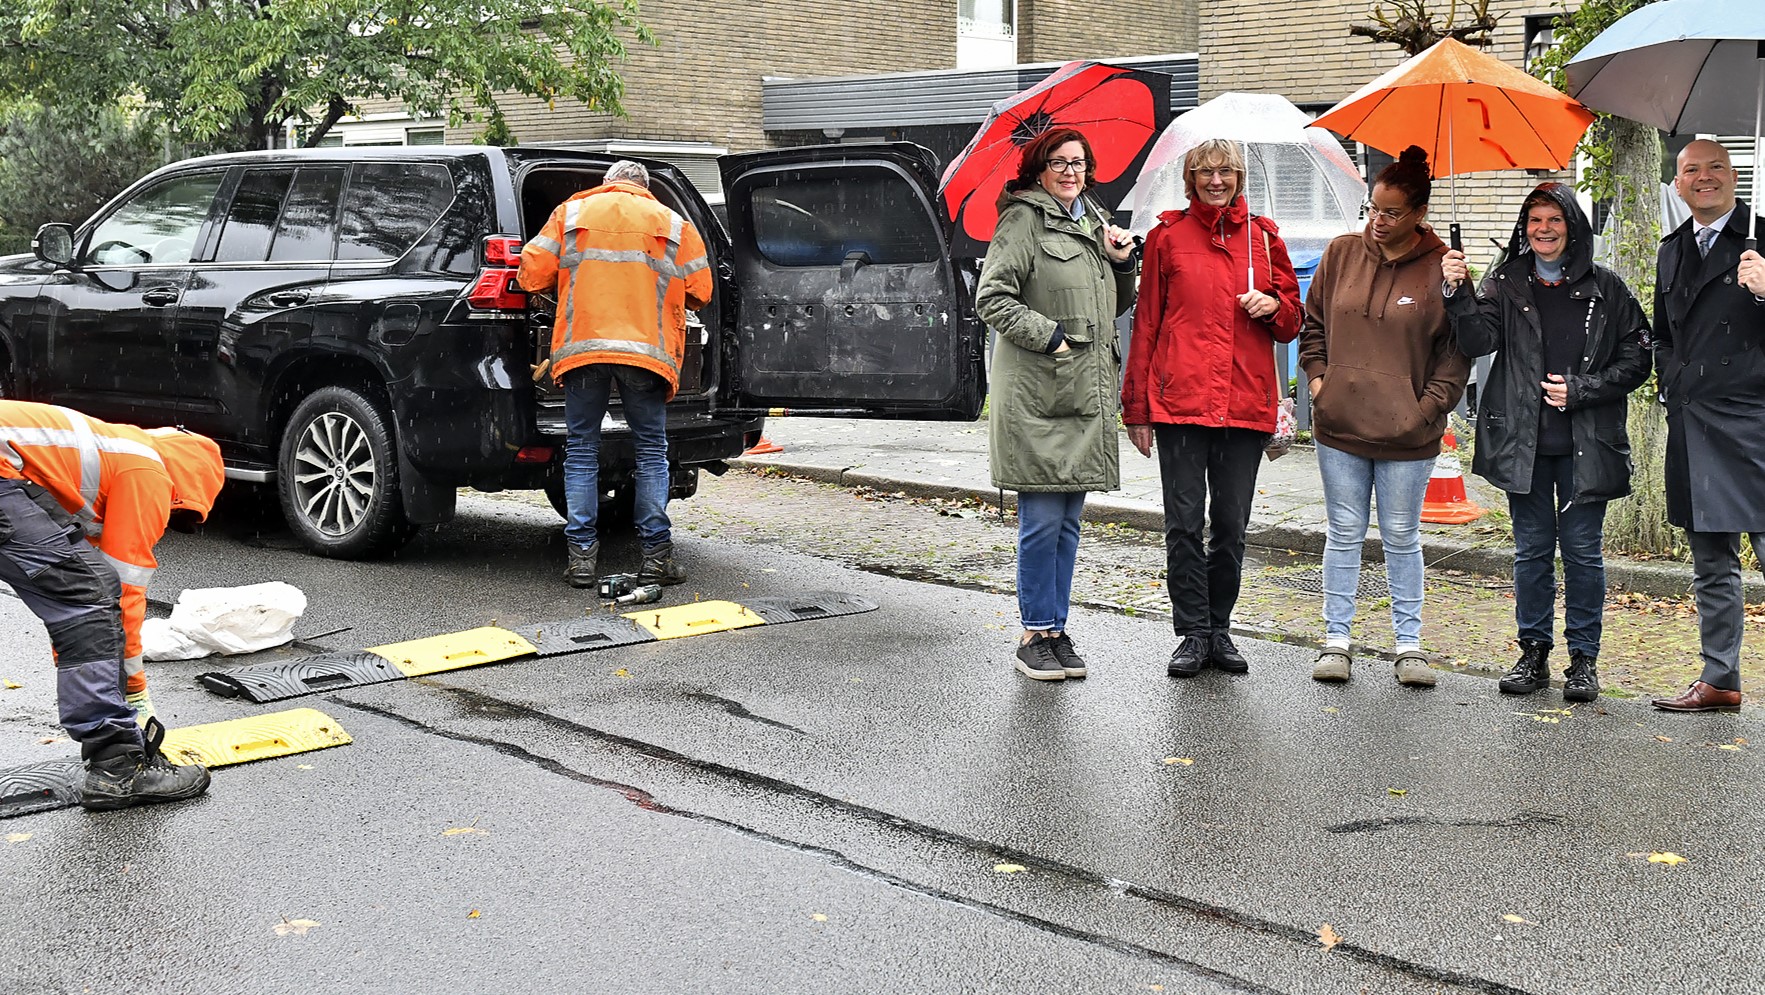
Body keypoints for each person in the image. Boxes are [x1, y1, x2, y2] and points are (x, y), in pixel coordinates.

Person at [1442, 183, 1650, 703]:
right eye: (1534, 220)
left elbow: (1638, 359)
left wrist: (1581, 390)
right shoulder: (1504, 283)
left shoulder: (1608, 288)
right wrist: (1458, 292)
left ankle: (1583, 660)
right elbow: (1476, 342)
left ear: (1571, 226)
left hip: (1588, 445)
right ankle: (1533, 652)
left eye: (1554, 220)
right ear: (1524, 227)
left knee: (1582, 554)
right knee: (1532, 551)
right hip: (1522, 444)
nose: (1544, 229)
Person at [1122, 138, 1303, 678]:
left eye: (1225, 171)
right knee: (1182, 522)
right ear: (1190, 177)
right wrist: (1137, 407)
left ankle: (1220, 627)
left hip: (1245, 401)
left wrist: (1273, 304)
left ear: (1239, 177)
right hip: (1180, 402)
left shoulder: (1264, 239)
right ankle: (1192, 632)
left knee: (1230, 524)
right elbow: (1148, 322)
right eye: (1204, 171)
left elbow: (1293, 321)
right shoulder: (1166, 238)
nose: (1216, 180)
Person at [1298, 146, 1469, 687]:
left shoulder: (1443, 269)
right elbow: (1314, 324)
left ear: (1418, 213)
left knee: (1401, 535)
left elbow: (1455, 353)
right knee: (1344, 531)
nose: (1377, 221)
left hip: (1408, 432)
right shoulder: (1341, 253)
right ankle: (1336, 640)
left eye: (1391, 212)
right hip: (1339, 423)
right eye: (1372, 208)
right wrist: (1321, 382)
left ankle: (1410, 645)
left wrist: (1427, 410)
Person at [1, 399, 224, 809]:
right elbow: (116, 596)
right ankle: (119, 766)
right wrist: (134, 691)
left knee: (85, 597)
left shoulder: (103, 454)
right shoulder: (148, 473)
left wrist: (86, 657)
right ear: (188, 480)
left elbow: (69, 602)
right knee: (93, 597)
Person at [975, 127, 1137, 681]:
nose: (1072, 171)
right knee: (1042, 522)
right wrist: (1051, 337)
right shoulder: (1022, 220)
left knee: (1068, 522)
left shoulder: (1089, 223)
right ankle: (1032, 633)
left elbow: (1117, 305)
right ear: (1039, 170)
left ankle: (1055, 629)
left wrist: (1118, 261)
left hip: (1083, 393)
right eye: (1059, 162)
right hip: (1039, 393)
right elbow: (992, 297)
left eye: (1079, 162)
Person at [519, 160, 712, 590]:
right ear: (643, 188)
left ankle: (582, 559)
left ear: (607, 185)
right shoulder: (673, 223)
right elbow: (702, 291)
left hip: (584, 350)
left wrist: (569, 283)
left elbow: (530, 275)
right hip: (647, 355)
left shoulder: (571, 214)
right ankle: (655, 559)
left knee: (583, 451)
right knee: (650, 453)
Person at [1649, 139, 1765, 714]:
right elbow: (1661, 335)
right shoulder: (1671, 250)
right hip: (1693, 421)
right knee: (1710, 560)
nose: (1704, 178)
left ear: (1735, 176)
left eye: (1715, 167)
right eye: (1691, 170)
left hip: (1754, 419)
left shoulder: (1762, 238)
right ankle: (1720, 678)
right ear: (1679, 185)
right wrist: (1672, 383)